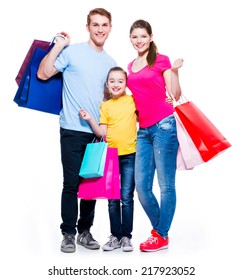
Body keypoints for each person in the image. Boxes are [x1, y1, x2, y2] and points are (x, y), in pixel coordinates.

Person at [37, 8, 117, 253]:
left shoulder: (110, 63)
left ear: (110, 28)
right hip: (71, 128)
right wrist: (59, 46)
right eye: (95, 25)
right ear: (88, 27)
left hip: (96, 132)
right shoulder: (73, 52)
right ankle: (68, 234)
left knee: (91, 184)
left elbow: (112, 99)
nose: (100, 29)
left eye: (104, 25)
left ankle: (85, 231)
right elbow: (43, 73)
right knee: (71, 183)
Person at [126, 19, 183, 252]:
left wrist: (176, 73)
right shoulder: (130, 66)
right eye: (134, 37)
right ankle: (161, 232)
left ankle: (160, 234)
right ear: (130, 39)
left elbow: (175, 94)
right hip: (143, 131)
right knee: (141, 187)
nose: (139, 40)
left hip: (164, 126)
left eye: (142, 36)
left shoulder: (162, 60)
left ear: (150, 37)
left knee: (166, 185)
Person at [79, 66, 137, 252]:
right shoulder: (105, 106)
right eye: (112, 81)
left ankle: (126, 237)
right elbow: (101, 132)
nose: (116, 84)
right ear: (107, 84)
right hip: (111, 156)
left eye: (120, 81)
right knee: (113, 198)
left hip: (130, 154)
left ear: (126, 83)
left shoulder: (132, 101)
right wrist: (90, 120)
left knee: (126, 197)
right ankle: (115, 236)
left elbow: (147, 115)